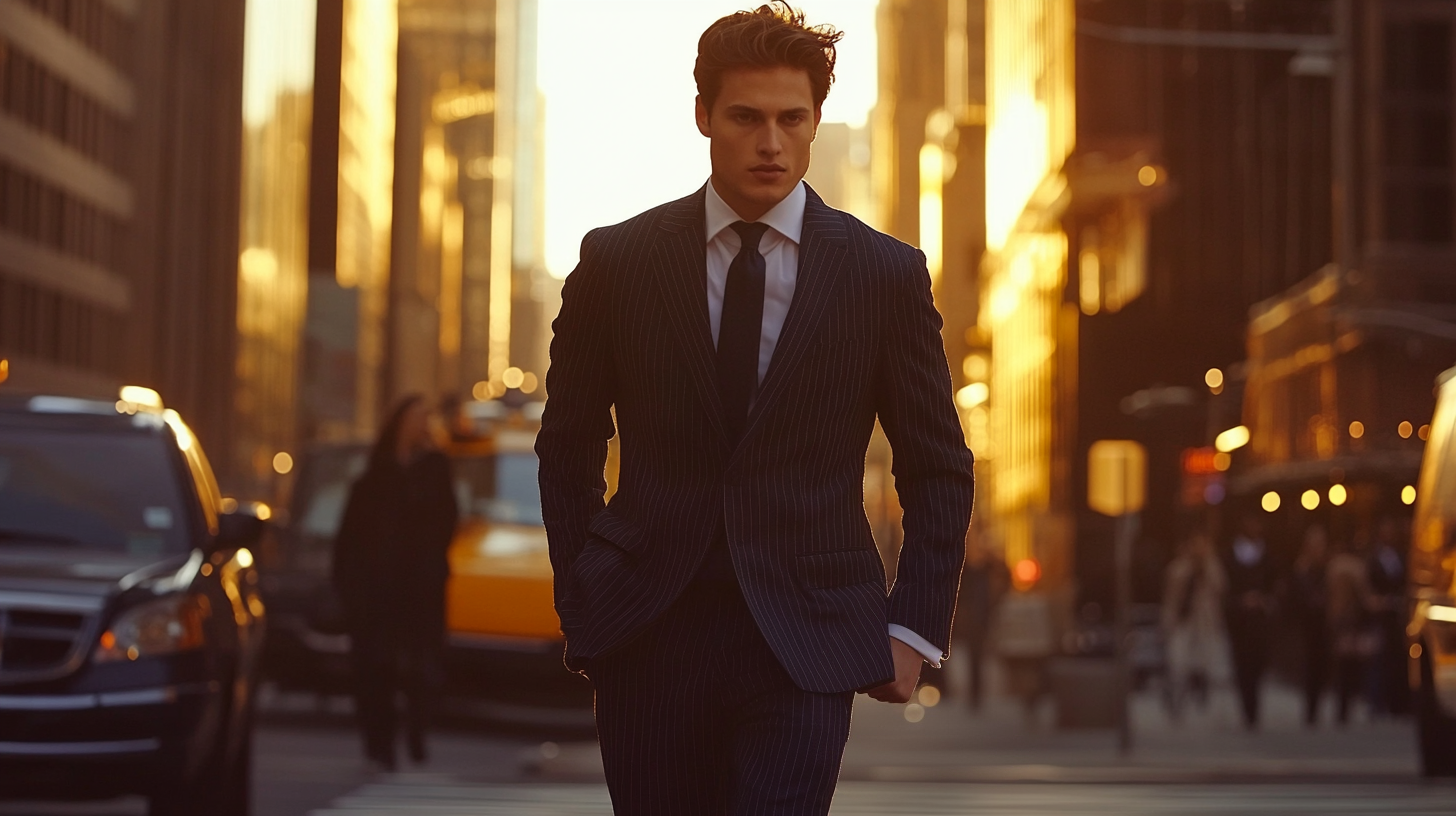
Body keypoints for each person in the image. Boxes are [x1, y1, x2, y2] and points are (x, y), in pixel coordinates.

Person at [536, 5, 975, 813]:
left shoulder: (883, 275)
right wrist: (584, 596)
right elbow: (566, 447)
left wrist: (912, 628)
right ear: (703, 117)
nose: (770, 142)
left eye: (790, 119)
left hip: (806, 638)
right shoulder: (617, 263)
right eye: (745, 118)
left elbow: (938, 465)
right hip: (649, 630)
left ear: (814, 122)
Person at [333, 395, 458, 771]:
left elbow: (447, 520)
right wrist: (349, 585)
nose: (422, 425)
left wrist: (430, 562)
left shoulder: (435, 467)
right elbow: (352, 534)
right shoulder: (375, 472)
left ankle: (417, 734)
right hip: (376, 589)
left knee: (421, 668)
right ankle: (379, 743)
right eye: (416, 417)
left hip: (420, 588)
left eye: (426, 418)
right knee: (375, 668)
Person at [1161, 531, 1228, 717]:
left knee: (1204, 663)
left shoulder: (1212, 567)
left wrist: (1206, 564)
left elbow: (1220, 587)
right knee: (1178, 664)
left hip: (1204, 624)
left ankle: (1200, 694)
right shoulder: (1179, 568)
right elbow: (1171, 597)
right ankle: (1177, 699)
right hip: (1182, 623)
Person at [1224, 514, 1276, 730]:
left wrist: (1263, 600)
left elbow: (1276, 584)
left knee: (1258, 664)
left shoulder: (1267, 554)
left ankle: (1254, 708)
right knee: (1242, 666)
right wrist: (1240, 602)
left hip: (1260, 620)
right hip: (1239, 621)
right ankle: (1248, 711)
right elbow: (1223, 589)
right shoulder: (1229, 555)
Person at [1327, 529, 1376, 725]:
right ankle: (1350, 708)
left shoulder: (1333, 566)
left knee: (1341, 668)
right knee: (1353, 668)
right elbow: (1366, 598)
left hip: (1337, 620)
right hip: (1351, 621)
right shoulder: (1356, 567)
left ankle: (1342, 710)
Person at [960, 533, 1009, 712]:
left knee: (981, 657)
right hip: (974, 620)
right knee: (975, 658)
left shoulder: (988, 570)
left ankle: (978, 694)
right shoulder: (970, 572)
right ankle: (975, 694)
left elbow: (1004, 577)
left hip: (985, 618)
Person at [1288, 525, 1330, 726]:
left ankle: (1319, 707)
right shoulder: (1301, 569)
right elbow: (1296, 598)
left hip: (1324, 625)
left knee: (1322, 667)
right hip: (1306, 625)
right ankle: (1310, 710)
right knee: (1310, 667)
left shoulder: (1328, 568)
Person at [1366, 517, 1408, 716]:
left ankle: (1398, 704)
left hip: (1397, 615)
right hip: (1380, 615)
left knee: (1397, 659)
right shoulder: (1373, 559)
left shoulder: (1401, 557)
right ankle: (1376, 703)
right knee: (1379, 659)